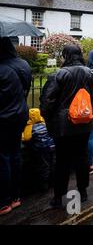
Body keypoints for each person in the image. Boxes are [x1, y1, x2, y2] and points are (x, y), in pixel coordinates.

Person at [40, 45, 93, 208]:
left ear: (66, 56)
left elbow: (47, 102)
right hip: (84, 123)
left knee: (62, 160)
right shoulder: (91, 73)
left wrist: (49, 119)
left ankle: (57, 197)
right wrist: (88, 113)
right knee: (81, 157)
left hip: (63, 126)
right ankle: (82, 192)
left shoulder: (59, 74)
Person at [0, 37, 32, 216]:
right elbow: (25, 87)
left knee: (3, 157)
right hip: (20, 114)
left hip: (4, 117)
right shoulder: (24, 64)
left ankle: (4, 201)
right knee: (15, 154)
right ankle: (16, 197)